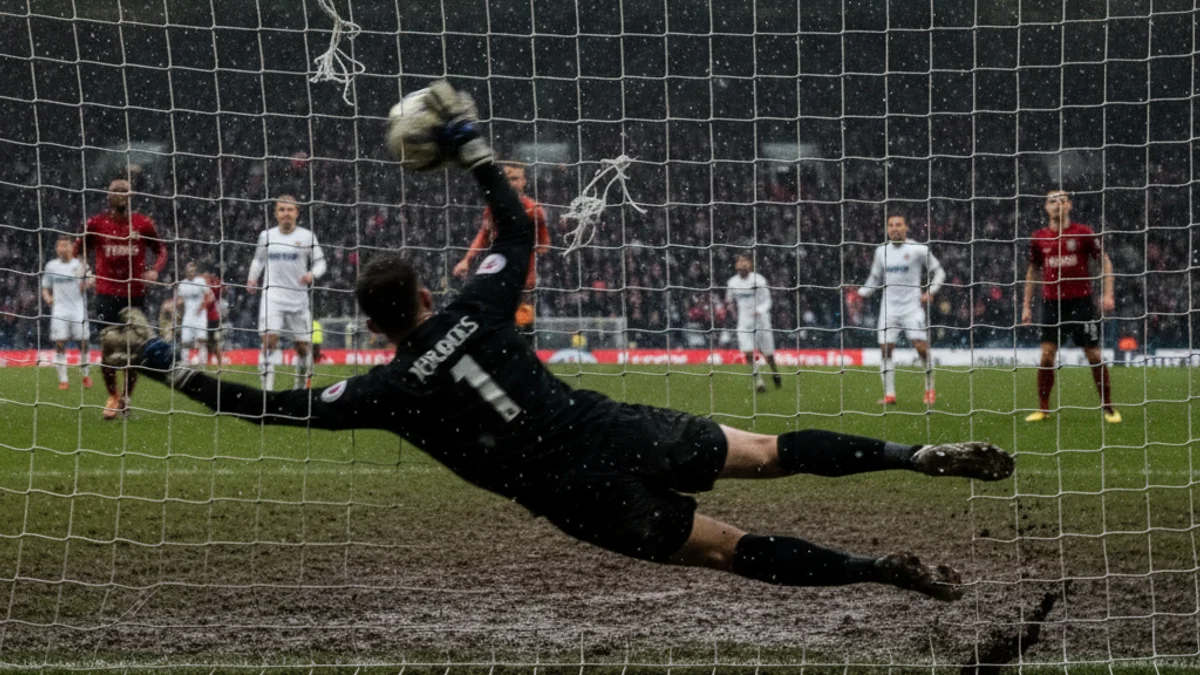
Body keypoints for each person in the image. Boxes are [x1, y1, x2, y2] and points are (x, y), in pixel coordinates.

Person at [123, 80, 1013, 602]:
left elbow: (267, 408)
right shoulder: (476, 309)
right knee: (772, 450)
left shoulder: (381, 392)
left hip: (574, 496)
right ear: (427, 292)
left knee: (729, 549)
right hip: (609, 428)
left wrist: (170, 367)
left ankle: (876, 572)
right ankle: (912, 450)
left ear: (371, 325)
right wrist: (473, 150)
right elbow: (516, 232)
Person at [1021, 190, 1119, 423]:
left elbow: (1104, 261)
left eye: (1062, 201)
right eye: (1052, 201)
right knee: (1047, 356)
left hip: (1082, 303)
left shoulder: (1083, 233)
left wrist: (1108, 294)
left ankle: (1108, 407)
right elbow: (1032, 271)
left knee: (1094, 355)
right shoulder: (1039, 237)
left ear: (1069, 206)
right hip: (1052, 303)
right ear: (1046, 207)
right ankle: (1043, 409)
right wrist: (1026, 306)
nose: (1057, 205)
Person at [76, 177, 167, 419]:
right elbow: (78, 249)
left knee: (134, 351)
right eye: (116, 191)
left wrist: (155, 269)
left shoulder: (142, 223)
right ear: (109, 196)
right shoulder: (96, 223)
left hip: (135, 295)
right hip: (106, 294)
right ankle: (113, 395)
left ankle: (126, 397)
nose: (120, 195)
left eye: (125, 191)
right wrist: (86, 272)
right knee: (108, 349)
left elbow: (161, 249)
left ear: (130, 195)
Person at [857, 215, 945, 406]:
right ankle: (890, 395)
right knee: (885, 350)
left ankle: (930, 389)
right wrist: (861, 292)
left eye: (898, 225)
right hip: (889, 308)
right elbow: (874, 278)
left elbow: (939, 271)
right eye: (890, 225)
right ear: (887, 229)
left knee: (921, 348)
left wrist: (931, 291)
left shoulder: (918, 250)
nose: (894, 229)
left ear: (906, 228)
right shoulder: (881, 252)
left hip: (912, 307)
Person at [247, 195, 326, 390]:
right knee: (269, 341)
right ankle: (267, 392)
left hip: (298, 300)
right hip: (272, 297)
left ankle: (299, 388)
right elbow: (258, 260)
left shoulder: (307, 236)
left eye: (290, 210)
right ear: (276, 214)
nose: (286, 214)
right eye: (282, 210)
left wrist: (312, 274)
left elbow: (321, 262)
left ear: (297, 213)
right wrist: (252, 278)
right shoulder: (267, 236)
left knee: (302, 348)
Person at [452, 161, 550, 290]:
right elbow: (484, 234)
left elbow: (543, 247)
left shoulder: (533, 210)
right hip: (498, 273)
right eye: (506, 179)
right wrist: (467, 259)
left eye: (514, 179)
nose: (510, 183)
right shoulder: (492, 209)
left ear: (524, 181)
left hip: (522, 281)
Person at [41, 235, 92, 390]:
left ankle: (85, 375)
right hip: (60, 310)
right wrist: (48, 298)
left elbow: (91, 281)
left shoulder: (80, 264)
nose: (62, 248)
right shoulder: (51, 266)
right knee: (60, 343)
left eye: (65, 245)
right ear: (57, 248)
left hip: (78, 309)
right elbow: (45, 287)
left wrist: (87, 283)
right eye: (59, 245)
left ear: (71, 247)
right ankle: (63, 380)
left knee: (83, 343)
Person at [725, 254, 781, 393]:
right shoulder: (732, 282)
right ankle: (759, 381)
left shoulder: (759, 280)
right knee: (748, 352)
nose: (742, 273)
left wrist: (759, 310)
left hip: (761, 321)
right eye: (740, 271)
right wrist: (732, 311)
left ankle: (775, 372)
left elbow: (767, 300)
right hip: (744, 322)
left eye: (745, 270)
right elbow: (729, 299)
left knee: (768, 354)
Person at [175, 262, 214, 366]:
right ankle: (185, 362)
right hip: (188, 315)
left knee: (201, 339)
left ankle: (203, 362)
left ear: (195, 271)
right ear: (186, 272)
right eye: (189, 271)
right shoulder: (182, 284)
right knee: (185, 340)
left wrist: (202, 307)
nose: (191, 273)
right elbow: (179, 300)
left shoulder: (200, 281)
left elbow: (210, 296)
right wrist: (179, 305)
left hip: (200, 316)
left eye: (193, 270)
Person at [203, 271, 223, 367]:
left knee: (214, 342)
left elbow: (213, 299)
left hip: (213, 319)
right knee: (208, 342)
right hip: (207, 319)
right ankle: (209, 362)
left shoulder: (213, 286)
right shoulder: (207, 287)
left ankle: (219, 363)